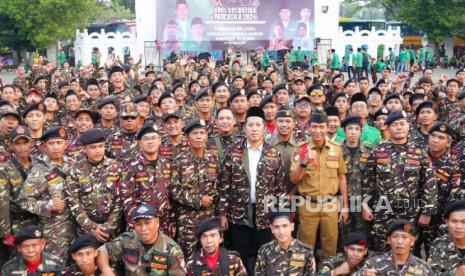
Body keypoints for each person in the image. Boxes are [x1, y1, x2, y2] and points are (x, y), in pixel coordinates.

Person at [217, 107, 285, 273]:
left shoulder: (273, 153)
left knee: (262, 253)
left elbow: (279, 188)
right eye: (250, 125)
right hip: (238, 213)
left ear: (264, 128)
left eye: (258, 125)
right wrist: (222, 214)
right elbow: (224, 184)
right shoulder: (232, 152)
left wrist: (278, 215)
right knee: (239, 252)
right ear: (244, 127)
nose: (254, 129)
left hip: (265, 214)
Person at [361, 110, 438, 253]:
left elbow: (429, 182)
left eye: (402, 124)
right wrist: (364, 205)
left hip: (410, 212)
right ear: (388, 128)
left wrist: (427, 211)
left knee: (408, 248)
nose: (399, 127)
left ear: (408, 126)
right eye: (394, 124)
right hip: (383, 211)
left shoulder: (419, 151)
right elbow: (368, 181)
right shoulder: (378, 150)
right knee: (382, 248)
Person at [290, 110, 348, 260]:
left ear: (328, 127)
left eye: (321, 127)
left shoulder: (336, 148)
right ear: (308, 127)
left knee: (330, 249)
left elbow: (341, 177)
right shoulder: (301, 148)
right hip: (308, 205)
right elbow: (294, 179)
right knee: (305, 249)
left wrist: (345, 206)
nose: (318, 131)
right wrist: (304, 162)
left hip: (331, 205)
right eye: (314, 127)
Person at [16, 127, 75, 260]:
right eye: (51, 143)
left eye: (59, 143)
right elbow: (23, 200)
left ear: (65, 144)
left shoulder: (73, 163)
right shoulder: (39, 170)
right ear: (44, 146)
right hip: (55, 232)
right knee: (57, 266)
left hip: (76, 226)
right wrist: (48, 205)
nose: (55, 147)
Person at [65, 128, 122, 242]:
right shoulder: (75, 170)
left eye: (101, 146)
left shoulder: (115, 167)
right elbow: (74, 202)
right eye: (93, 147)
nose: (98, 151)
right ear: (84, 149)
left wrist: (109, 226)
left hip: (112, 230)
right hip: (86, 230)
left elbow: (119, 199)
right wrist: (91, 227)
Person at [171, 119, 218, 256]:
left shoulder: (213, 160)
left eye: (202, 133)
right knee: (188, 257)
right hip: (187, 221)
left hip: (209, 218)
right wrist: (198, 200)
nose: (198, 137)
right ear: (187, 137)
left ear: (207, 136)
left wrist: (221, 214)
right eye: (195, 133)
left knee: (211, 255)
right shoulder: (179, 161)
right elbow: (174, 190)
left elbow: (220, 187)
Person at [96, 204, 186, 275]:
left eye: (147, 223)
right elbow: (102, 251)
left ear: (157, 223)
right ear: (134, 226)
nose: (143, 228)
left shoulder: (172, 250)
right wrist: (106, 270)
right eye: (139, 224)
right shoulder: (127, 240)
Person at [120, 125, 175, 236]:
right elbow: (127, 199)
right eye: (146, 139)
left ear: (159, 141)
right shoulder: (131, 166)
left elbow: (172, 196)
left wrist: (173, 223)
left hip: (165, 225)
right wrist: (134, 225)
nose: (150, 142)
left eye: (153, 138)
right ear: (139, 143)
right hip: (142, 225)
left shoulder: (167, 164)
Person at [355, 220, 433, 275]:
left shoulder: (423, 268)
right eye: (395, 236)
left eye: (404, 237)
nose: (399, 241)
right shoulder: (374, 263)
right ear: (389, 240)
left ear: (412, 241)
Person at [428, 200, 465, 274]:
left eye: (464, 222)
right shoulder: (438, 244)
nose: (458, 226)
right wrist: (455, 274)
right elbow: (431, 273)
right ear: (447, 223)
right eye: (454, 221)